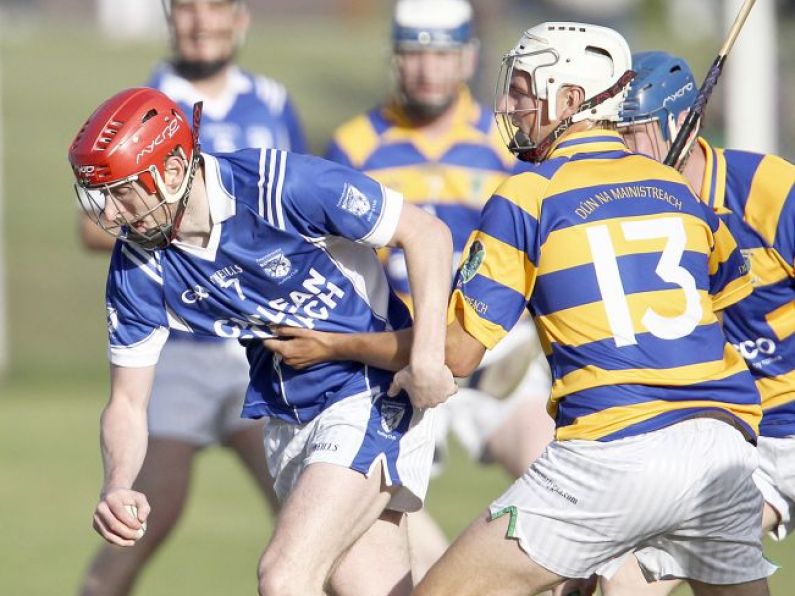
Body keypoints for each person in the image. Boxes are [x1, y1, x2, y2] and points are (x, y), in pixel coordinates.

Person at [266, 22, 775, 595]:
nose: (508, 104)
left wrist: (335, 344)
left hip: (611, 449)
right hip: (723, 448)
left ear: (571, 100)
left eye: (524, 90)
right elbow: (733, 300)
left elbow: (453, 352)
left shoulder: (527, 194)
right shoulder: (681, 192)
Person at [69, 87, 456, 596]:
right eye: (104, 198)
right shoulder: (139, 265)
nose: (113, 216)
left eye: (123, 192)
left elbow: (427, 233)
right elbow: (126, 402)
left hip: (368, 395)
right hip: (287, 417)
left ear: (171, 168)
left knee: (284, 576)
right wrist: (118, 483)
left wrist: (427, 356)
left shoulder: (279, 185)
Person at [78, 2, 307, 595]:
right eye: (187, 10)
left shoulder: (274, 103)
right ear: (168, 20)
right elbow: (93, 223)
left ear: (241, 18)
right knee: (140, 517)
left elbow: (301, 211)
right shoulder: (144, 103)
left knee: (308, 524)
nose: (202, 23)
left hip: (261, 347)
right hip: (179, 351)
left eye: (216, 9)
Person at [322, 0, 555, 579]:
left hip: (495, 349)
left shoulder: (505, 141)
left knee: (557, 482)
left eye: (442, 53)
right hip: (395, 357)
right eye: (414, 53)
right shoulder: (352, 145)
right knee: (369, 527)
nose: (427, 68)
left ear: (468, 58)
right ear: (395, 59)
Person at [601, 50, 795, 596]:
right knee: (621, 580)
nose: (620, 150)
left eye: (632, 133)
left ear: (679, 124)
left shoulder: (767, 187)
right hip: (719, 436)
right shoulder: (623, 211)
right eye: (611, 133)